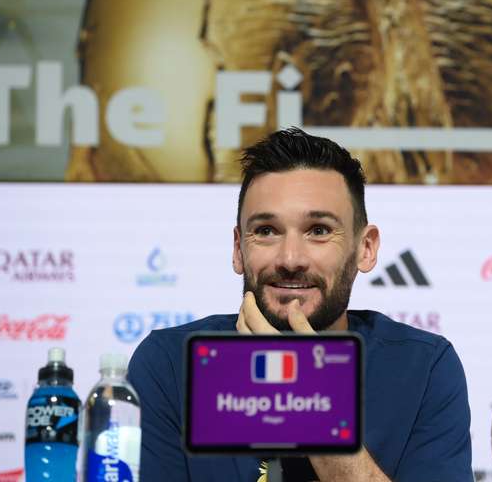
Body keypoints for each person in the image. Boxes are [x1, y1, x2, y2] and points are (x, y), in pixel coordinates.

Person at [127, 127, 473, 481]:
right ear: (237, 250)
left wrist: (306, 400)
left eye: (319, 230)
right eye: (266, 231)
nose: (291, 258)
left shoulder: (423, 368)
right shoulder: (169, 364)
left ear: (365, 248)